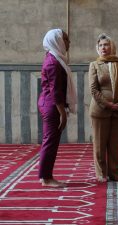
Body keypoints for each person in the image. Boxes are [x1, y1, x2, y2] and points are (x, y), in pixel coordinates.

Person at [38, 28, 77, 187]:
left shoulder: (54, 58)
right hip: (52, 105)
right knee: (50, 141)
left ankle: (45, 176)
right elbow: (55, 91)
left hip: (50, 103)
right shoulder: (53, 62)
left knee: (51, 140)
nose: (69, 42)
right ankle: (46, 178)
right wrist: (63, 114)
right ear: (57, 41)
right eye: (65, 39)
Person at [89, 33, 118, 182]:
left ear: (111, 46)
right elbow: (94, 90)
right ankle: (101, 174)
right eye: (100, 45)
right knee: (99, 145)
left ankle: (114, 173)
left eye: (106, 44)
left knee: (114, 145)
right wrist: (108, 104)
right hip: (100, 110)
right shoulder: (94, 65)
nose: (103, 48)